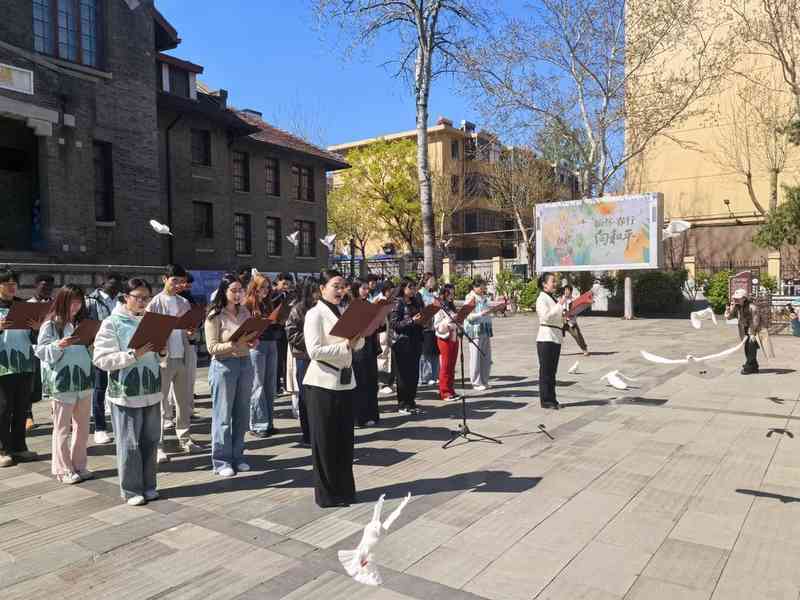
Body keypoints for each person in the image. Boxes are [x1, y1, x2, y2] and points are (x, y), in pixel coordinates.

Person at [93, 278, 162, 506]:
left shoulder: (152, 322)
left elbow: (160, 357)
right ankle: (131, 490)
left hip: (151, 390)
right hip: (125, 393)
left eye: (146, 298)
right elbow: (101, 359)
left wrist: (161, 352)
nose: (142, 302)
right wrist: (133, 355)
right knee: (130, 443)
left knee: (151, 441)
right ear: (125, 297)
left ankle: (149, 485)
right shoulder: (111, 323)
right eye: (138, 297)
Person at [302, 269, 363, 507]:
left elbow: (357, 344)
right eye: (335, 286)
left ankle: (345, 490)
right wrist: (346, 346)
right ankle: (327, 495)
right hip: (322, 383)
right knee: (325, 442)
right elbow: (314, 351)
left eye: (343, 286)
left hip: (346, 382)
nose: (340, 290)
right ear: (322, 289)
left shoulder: (346, 311)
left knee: (344, 440)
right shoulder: (314, 314)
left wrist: (358, 338)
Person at [36, 284, 94, 484]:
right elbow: (41, 351)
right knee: (62, 428)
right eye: (72, 301)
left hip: (84, 380)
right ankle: (62, 468)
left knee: (83, 427)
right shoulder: (51, 324)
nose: (76, 305)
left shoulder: (81, 323)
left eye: (79, 301)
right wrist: (57, 345)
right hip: (62, 382)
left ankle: (79, 464)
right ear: (62, 301)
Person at [205, 275, 259, 477]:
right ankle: (221, 461)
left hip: (245, 363)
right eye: (233, 291)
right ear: (224, 292)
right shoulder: (214, 315)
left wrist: (252, 341)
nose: (238, 295)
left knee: (241, 413)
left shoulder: (245, 311)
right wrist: (233, 344)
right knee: (223, 415)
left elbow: (250, 336)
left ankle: (238, 456)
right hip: (223, 366)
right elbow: (211, 348)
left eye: (240, 291)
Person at [146, 264, 199, 463]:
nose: (177, 284)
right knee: (160, 404)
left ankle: (184, 438)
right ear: (165, 279)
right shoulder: (155, 303)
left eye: (181, 281)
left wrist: (191, 331)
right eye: (174, 280)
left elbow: (189, 329)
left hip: (182, 356)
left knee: (183, 401)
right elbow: (150, 333)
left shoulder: (185, 303)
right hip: (162, 360)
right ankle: (158, 445)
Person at [0, 267, 40, 467]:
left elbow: (33, 338)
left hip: (24, 364)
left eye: (14, 283)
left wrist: (35, 329)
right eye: (7, 283)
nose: (12, 287)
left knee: (21, 408)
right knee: (3, 408)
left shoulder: (23, 306)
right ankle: (2, 449)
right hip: (2, 366)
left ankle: (19, 447)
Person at [86, 271, 123, 445]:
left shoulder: (123, 299)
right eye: (112, 284)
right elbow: (84, 324)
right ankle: (100, 428)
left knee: (119, 388)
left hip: (121, 350)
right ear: (102, 283)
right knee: (99, 389)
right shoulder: (91, 301)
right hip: (100, 350)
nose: (116, 287)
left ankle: (120, 425)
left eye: (118, 284)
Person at [244, 274, 279, 438]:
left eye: (267, 287)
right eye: (262, 287)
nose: (265, 290)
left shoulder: (269, 302)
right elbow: (245, 327)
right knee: (257, 385)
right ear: (255, 287)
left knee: (270, 385)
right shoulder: (248, 303)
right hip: (256, 345)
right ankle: (257, 424)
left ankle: (269, 422)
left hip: (271, 342)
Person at [285, 278, 319, 446]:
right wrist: (313, 339)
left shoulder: (322, 308)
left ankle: (318, 432)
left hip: (320, 357)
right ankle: (307, 434)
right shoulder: (298, 309)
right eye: (315, 291)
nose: (318, 295)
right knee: (305, 396)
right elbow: (292, 334)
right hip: (304, 358)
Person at [390, 277, 425, 415]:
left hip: (416, 341)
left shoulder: (416, 301)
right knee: (403, 375)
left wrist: (424, 319)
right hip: (402, 343)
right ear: (403, 288)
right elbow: (395, 325)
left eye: (414, 287)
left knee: (414, 374)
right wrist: (411, 320)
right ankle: (402, 403)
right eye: (410, 287)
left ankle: (411, 402)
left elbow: (421, 317)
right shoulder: (397, 303)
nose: (413, 290)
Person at [26, 273, 54, 431]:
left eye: (50, 287)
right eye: (44, 287)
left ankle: (54, 411)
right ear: (35, 286)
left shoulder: (55, 304)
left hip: (51, 348)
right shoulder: (27, 305)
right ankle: (28, 415)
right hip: (33, 348)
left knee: (51, 380)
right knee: (31, 384)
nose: (47, 290)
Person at [350, 279, 380, 427]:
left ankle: (371, 414)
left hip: (370, 346)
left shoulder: (369, 304)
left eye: (368, 288)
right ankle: (359, 417)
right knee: (360, 382)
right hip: (357, 349)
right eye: (363, 288)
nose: (367, 291)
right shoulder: (351, 305)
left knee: (371, 382)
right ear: (356, 288)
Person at [536, 273, 567, 410]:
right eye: (552, 281)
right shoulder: (541, 298)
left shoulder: (551, 298)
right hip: (546, 337)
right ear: (544, 284)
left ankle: (552, 399)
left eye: (555, 281)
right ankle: (546, 400)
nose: (555, 284)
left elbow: (555, 316)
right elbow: (546, 317)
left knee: (552, 372)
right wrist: (559, 305)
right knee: (546, 372)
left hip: (555, 336)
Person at [464, 278, 494, 391]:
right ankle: (476, 382)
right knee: (475, 356)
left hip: (485, 328)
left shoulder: (484, 297)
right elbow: (468, 315)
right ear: (474, 287)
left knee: (486, 356)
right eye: (480, 287)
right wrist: (481, 313)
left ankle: (484, 380)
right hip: (474, 330)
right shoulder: (470, 297)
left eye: (483, 287)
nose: (482, 289)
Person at [725, 288, 763, 374]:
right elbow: (729, 317)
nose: (735, 299)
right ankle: (754, 366)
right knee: (747, 348)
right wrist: (728, 308)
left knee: (751, 347)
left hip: (753, 330)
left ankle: (749, 366)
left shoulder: (752, 307)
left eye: (738, 298)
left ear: (744, 298)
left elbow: (755, 321)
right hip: (743, 330)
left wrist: (752, 333)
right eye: (735, 298)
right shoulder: (737, 307)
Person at [433, 284, 460, 401]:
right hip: (444, 338)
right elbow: (437, 325)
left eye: (453, 293)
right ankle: (444, 391)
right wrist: (448, 321)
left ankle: (451, 389)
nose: (451, 296)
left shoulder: (451, 306)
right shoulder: (439, 307)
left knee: (452, 365)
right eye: (449, 293)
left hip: (454, 337)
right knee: (446, 365)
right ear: (443, 294)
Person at [177, 273, 199, 409]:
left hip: (190, 339)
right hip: (175, 341)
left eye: (189, 284)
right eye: (186, 283)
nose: (188, 286)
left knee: (190, 375)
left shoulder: (188, 298)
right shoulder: (176, 298)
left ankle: (189, 407)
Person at [273, 273, 294, 394]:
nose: (286, 286)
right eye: (284, 284)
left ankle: (286, 385)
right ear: (278, 282)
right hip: (275, 330)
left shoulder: (288, 295)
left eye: (288, 285)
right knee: (276, 360)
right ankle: (276, 386)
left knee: (285, 359)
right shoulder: (272, 294)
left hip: (285, 329)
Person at [418, 273, 440, 386]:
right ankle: (425, 377)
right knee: (426, 352)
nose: (433, 283)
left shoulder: (433, 294)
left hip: (434, 325)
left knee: (434, 351)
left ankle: (435, 375)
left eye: (434, 281)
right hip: (425, 326)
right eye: (431, 281)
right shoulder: (420, 294)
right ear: (425, 281)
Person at [376, 280, 396, 396]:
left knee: (390, 359)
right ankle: (383, 383)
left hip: (390, 333)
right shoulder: (379, 300)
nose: (392, 293)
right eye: (390, 291)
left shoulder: (391, 300)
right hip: (382, 332)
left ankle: (389, 382)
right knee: (382, 358)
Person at [562, 284, 589, 356]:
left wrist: (571, 314)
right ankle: (554, 351)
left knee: (577, 335)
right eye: (565, 290)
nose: (566, 292)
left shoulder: (574, 300)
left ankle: (584, 349)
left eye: (568, 290)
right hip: (561, 321)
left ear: (571, 291)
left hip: (571, 322)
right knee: (555, 335)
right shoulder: (561, 299)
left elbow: (577, 310)